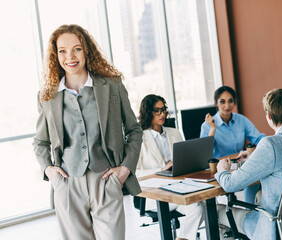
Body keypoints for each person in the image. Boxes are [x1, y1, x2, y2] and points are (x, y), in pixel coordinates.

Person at [33, 24, 143, 240]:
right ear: (56, 55)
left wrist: (124, 169)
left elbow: (134, 130)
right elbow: (40, 142)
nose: (70, 57)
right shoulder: (47, 96)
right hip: (68, 184)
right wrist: (50, 172)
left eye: (77, 49)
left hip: (106, 180)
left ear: (86, 51)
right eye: (62, 51)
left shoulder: (111, 86)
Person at [215, 89, 282, 240]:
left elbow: (231, 184)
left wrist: (222, 171)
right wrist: (255, 157)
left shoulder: (270, 144)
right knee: (258, 197)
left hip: (274, 226)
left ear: (269, 116)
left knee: (217, 212)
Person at [137, 94, 204, 240]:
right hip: (156, 194)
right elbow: (134, 173)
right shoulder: (139, 139)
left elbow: (186, 159)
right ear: (148, 112)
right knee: (200, 206)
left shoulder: (174, 133)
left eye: (164, 110)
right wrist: (160, 170)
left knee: (201, 207)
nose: (162, 114)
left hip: (179, 188)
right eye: (157, 111)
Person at [200, 86, 265, 203]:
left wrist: (271, 143)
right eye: (222, 101)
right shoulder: (206, 126)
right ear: (216, 103)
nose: (227, 106)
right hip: (219, 170)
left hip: (239, 167)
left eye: (230, 101)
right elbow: (204, 153)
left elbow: (258, 138)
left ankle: (250, 209)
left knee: (256, 176)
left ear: (234, 102)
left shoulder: (241, 120)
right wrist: (213, 128)